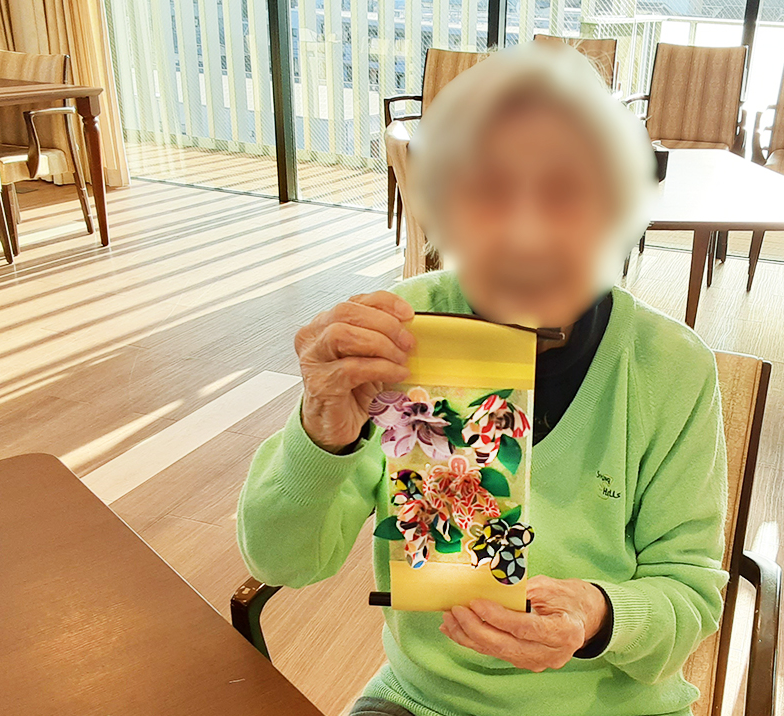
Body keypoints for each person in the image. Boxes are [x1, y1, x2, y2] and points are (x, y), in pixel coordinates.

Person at [237, 42, 728, 716]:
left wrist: (598, 614)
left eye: (565, 192)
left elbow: (690, 594)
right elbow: (279, 562)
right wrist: (323, 433)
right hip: (426, 700)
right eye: (490, 191)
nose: (526, 232)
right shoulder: (398, 338)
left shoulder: (669, 366)